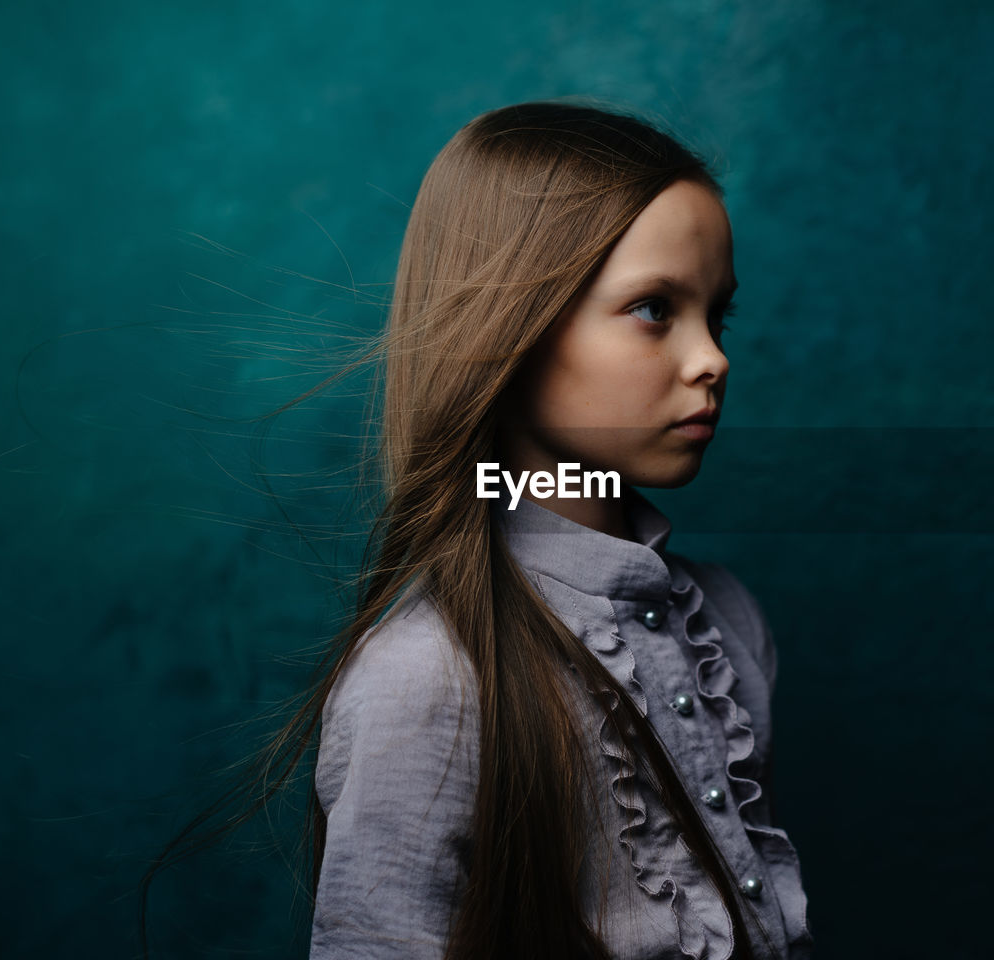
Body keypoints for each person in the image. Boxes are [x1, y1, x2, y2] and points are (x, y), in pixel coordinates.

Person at [140, 98, 814, 960]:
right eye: (654, 308)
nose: (712, 357)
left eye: (716, 316)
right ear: (514, 329)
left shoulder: (729, 625)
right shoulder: (427, 678)